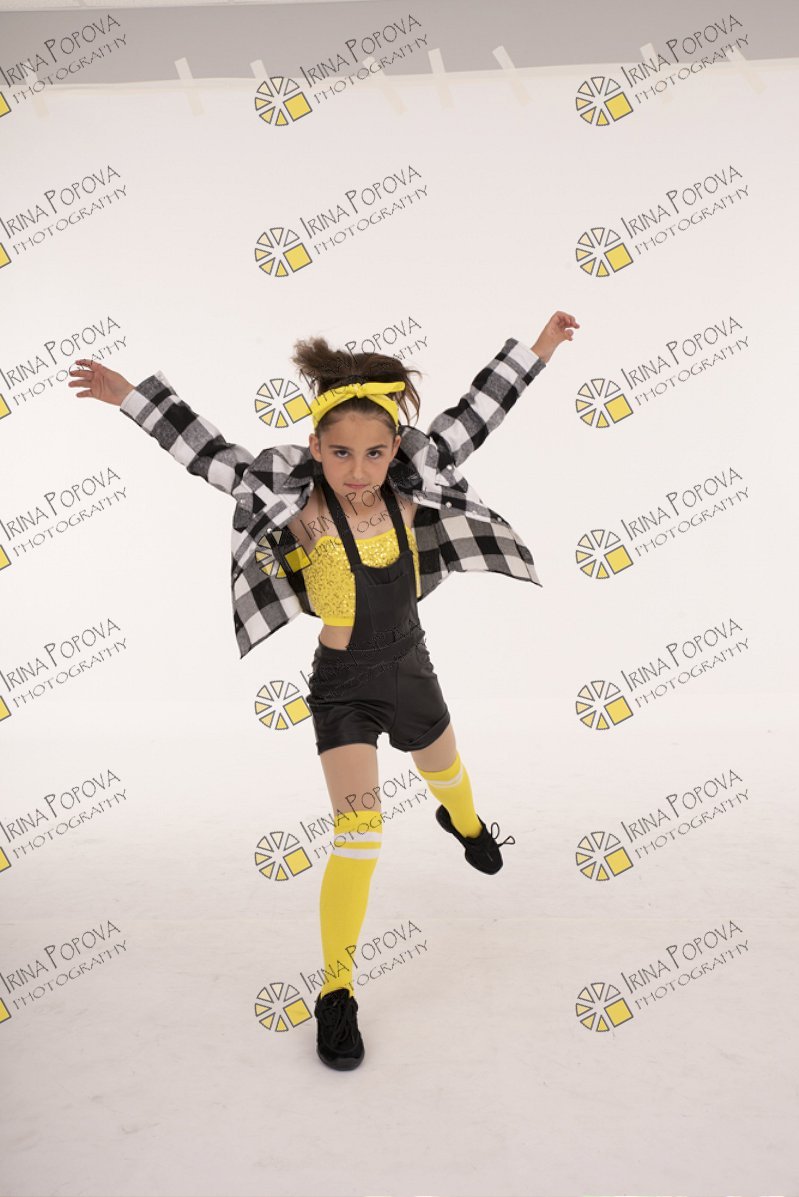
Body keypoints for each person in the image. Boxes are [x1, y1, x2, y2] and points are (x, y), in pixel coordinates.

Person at [67, 310, 579, 1071]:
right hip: (342, 689)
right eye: (340, 452)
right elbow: (205, 451)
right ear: (314, 447)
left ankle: (467, 825)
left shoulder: (413, 487)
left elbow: (479, 412)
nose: (358, 469)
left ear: (396, 448)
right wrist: (129, 396)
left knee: (449, 776)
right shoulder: (297, 505)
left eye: (375, 452)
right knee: (360, 836)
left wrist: (541, 346)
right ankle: (337, 992)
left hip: (413, 671)